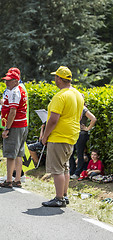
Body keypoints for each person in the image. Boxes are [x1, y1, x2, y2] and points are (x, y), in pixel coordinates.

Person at [41, 66, 84, 207]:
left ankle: (59, 198)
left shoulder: (60, 96)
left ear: (59, 78)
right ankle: (64, 195)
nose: (55, 79)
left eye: (56, 77)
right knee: (65, 167)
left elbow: (53, 119)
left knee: (57, 170)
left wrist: (45, 136)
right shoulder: (77, 94)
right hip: (71, 135)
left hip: (58, 136)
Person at [0, 70, 28, 188]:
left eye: (9, 80)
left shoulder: (14, 92)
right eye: (6, 80)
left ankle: (9, 180)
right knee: (19, 153)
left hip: (15, 125)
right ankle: (17, 179)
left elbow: (12, 111)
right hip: (22, 125)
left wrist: (7, 128)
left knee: (10, 154)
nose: (7, 82)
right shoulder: (21, 89)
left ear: (16, 81)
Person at [69, 100, 97, 179]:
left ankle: (77, 173)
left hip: (81, 135)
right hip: (74, 134)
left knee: (79, 154)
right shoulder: (74, 108)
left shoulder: (83, 109)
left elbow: (93, 119)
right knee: (70, 152)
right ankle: (72, 171)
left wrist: (87, 128)